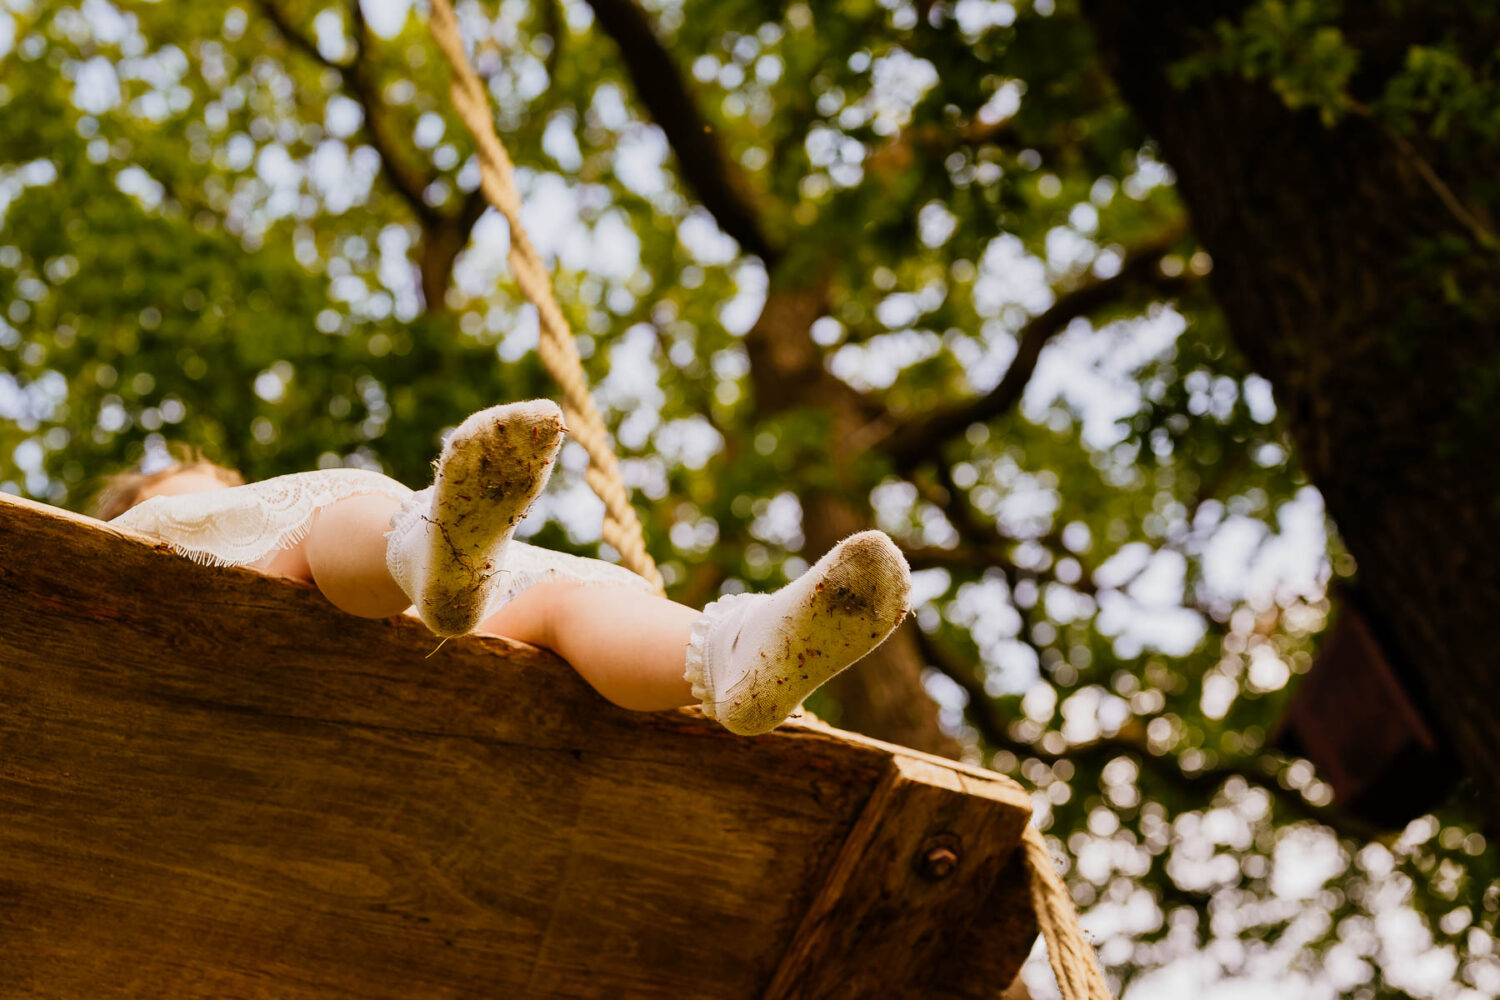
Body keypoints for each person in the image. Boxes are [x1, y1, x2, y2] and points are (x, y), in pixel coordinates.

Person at [99, 400, 912, 736]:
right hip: (224, 645)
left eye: (224, 490)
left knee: (568, 599)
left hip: (411, 622)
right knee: (335, 507)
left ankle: (734, 651)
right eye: (194, 497)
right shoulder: (149, 543)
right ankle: (423, 544)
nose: (224, 498)